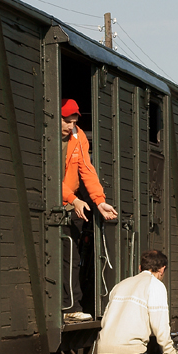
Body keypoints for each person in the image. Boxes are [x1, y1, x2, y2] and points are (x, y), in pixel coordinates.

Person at [61, 98, 118, 323]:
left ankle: (71, 307)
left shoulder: (79, 136)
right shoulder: (47, 134)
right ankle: (66, 307)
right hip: (59, 201)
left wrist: (98, 200)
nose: (69, 126)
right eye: (66, 121)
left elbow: (87, 169)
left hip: (70, 203)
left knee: (72, 258)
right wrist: (72, 198)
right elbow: (48, 175)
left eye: (73, 122)